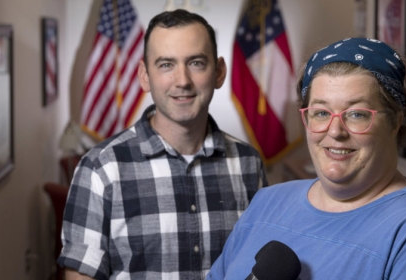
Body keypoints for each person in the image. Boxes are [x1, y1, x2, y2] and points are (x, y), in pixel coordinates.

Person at [208, 38, 406, 279]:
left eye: (357, 114)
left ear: (395, 121)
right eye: (321, 113)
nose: (335, 132)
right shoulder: (267, 202)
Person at [58, 9, 267, 280]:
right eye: (166, 64)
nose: (182, 81)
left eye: (196, 63)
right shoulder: (100, 169)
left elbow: (257, 263)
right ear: (145, 76)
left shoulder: (248, 163)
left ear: (219, 72)